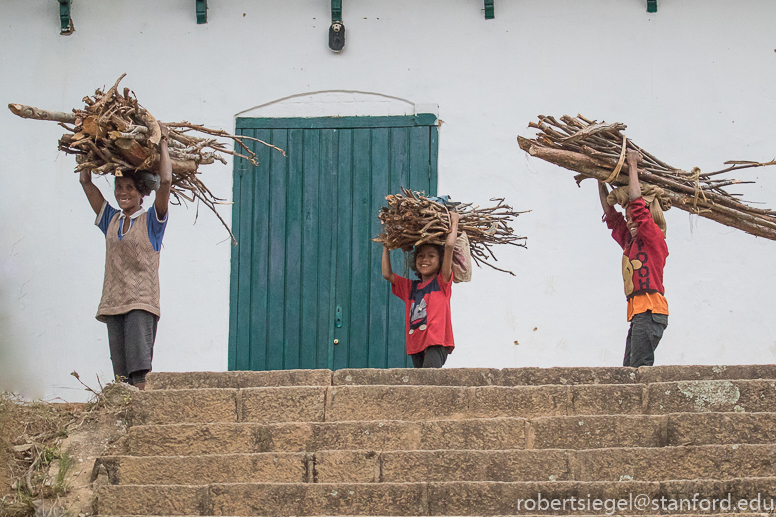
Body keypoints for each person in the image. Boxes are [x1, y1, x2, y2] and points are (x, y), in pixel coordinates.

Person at [79, 124, 172, 390]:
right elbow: (86, 182)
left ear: (142, 192)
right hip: (113, 302)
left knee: (139, 371)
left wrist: (163, 142)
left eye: (129, 187)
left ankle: (140, 419)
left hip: (141, 303)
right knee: (121, 376)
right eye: (119, 187)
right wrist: (87, 147)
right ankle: (124, 419)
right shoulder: (111, 219)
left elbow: (165, 182)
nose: (122, 193)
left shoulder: (152, 221)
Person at [598, 149, 668, 368]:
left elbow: (638, 206)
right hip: (639, 314)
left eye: (634, 219)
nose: (630, 222)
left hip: (650, 312)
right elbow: (612, 217)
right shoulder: (630, 242)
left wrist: (632, 165)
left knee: (637, 370)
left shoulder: (654, 238)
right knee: (628, 370)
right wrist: (598, 178)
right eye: (628, 219)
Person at [382, 211, 459, 368]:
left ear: (440, 261)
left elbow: (449, 246)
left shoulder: (442, 282)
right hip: (416, 344)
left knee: (429, 381)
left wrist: (455, 222)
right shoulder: (410, 287)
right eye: (421, 256)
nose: (425, 260)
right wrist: (386, 246)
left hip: (436, 342)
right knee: (421, 386)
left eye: (431, 256)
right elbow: (387, 274)